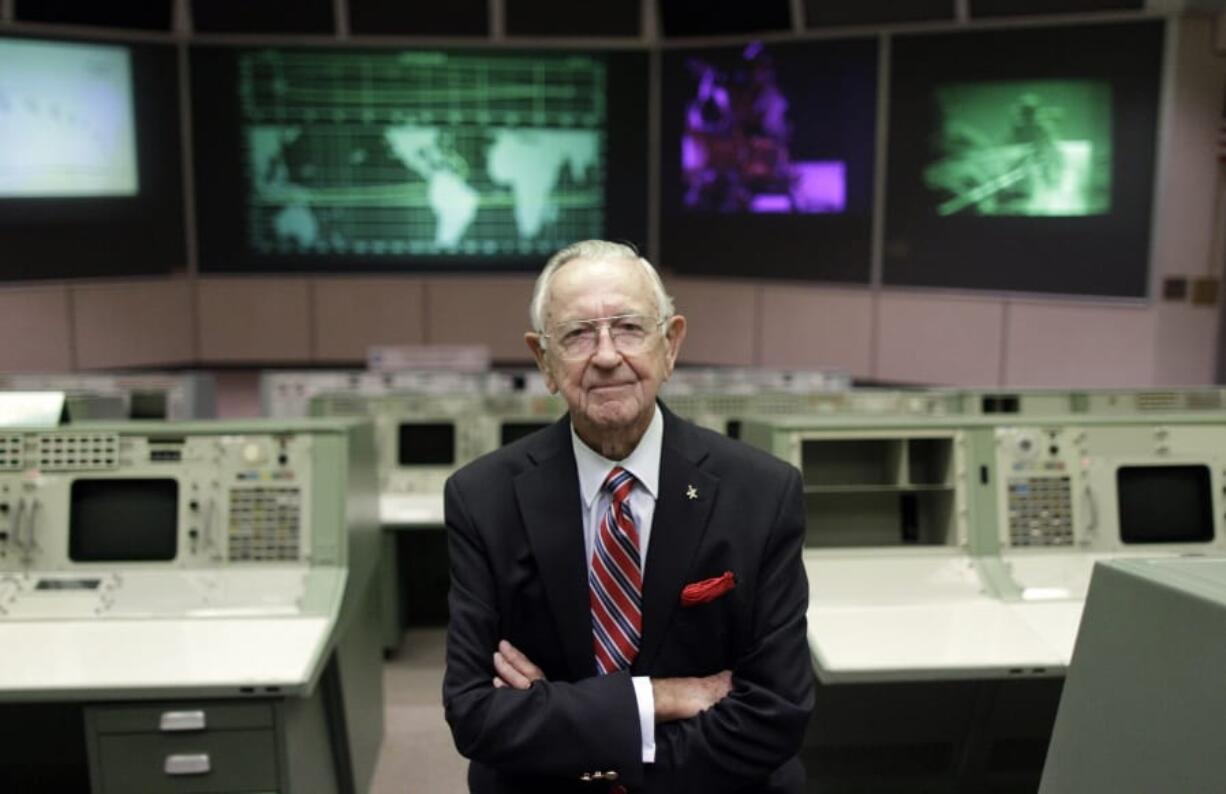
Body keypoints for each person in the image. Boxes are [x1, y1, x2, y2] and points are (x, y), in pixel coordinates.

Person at [442, 240, 815, 793]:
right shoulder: (482, 498)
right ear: (544, 361)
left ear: (671, 344)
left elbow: (775, 712)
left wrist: (582, 738)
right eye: (576, 335)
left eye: (629, 329)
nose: (607, 354)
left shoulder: (762, 492)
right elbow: (475, 715)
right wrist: (657, 698)